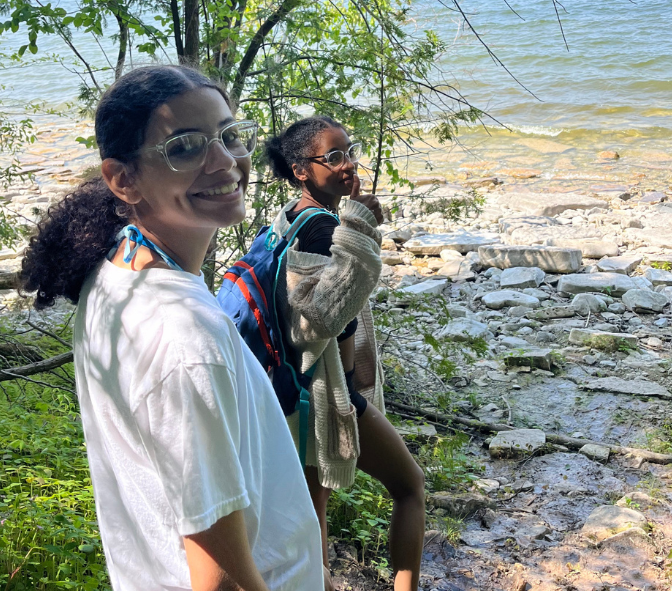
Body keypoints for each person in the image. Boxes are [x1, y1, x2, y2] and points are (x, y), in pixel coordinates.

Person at [21, 65, 322, 591]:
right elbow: (219, 578)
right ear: (123, 179)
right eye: (185, 147)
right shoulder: (184, 337)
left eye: (230, 136)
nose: (226, 161)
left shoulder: (117, 268)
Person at [264, 116, 425, 591]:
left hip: (299, 389)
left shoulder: (290, 216)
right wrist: (360, 223)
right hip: (323, 392)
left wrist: (353, 219)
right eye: (332, 157)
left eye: (348, 151)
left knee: (315, 517)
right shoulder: (318, 228)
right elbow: (323, 317)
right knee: (409, 486)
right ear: (300, 170)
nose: (347, 163)